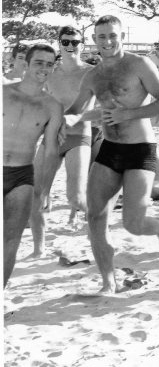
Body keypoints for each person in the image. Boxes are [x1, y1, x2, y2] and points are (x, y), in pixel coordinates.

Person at [63, 15, 159, 294]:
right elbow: (76, 111)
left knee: (134, 223)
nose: (108, 41)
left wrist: (129, 113)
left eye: (112, 35)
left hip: (140, 149)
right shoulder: (93, 75)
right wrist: (63, 120)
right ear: (94, 40)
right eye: (101, 37)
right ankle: (107, 282)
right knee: (95, 217)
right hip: (110, 149)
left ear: (121, 36)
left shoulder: (139, 64)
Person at [30, 28, 95, 259]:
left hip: (79, 136)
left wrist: (74, 118)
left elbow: (99, 111)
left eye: (75, 41)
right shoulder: (51, 73)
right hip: (51, 137)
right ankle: (39, 249)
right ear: (59, 44)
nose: (70, 45)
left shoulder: (91, 72)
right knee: (36, 194)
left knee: (75, 197)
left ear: (82, 44)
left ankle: (98, 226)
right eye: (65, 41)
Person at [3, 45, 63, 287]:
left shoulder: (52, 106)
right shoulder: (3, 93)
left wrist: (45, 189)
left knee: (11, 241)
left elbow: (50, 151)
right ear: (26, 64)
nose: (44, 68)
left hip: (22, 175)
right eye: (39, 62)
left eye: (50, 64)